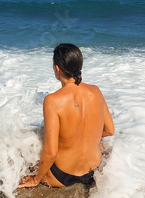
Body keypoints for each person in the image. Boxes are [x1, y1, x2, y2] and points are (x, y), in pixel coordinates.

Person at [18, 43, 114, 188]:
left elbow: (51, 152)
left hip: (62, 176)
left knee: (21, 156)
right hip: (92, 171)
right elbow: (110, 130)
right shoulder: (95, 91)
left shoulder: (52, 101)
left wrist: (36, 179)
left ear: (57, 69)